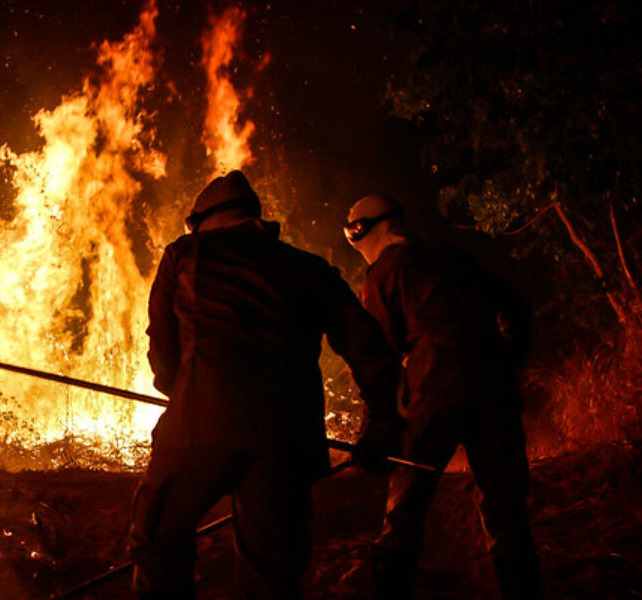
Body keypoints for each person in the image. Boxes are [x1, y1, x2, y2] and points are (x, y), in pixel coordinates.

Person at [128, 171, 404, 600]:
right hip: (287, 440)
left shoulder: (185, 253)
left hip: (200, 427)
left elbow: (161, 354)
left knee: (158, 538)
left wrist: (182, 390)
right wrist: (383, 420)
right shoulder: (311, 269)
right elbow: (368, 346)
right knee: (272, 573)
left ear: (203, 220)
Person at [344, 194, 542, 599]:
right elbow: (515, 305)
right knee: (508, 515)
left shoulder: (385, 271)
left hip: (434, 395)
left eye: (351, 230)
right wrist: (509, 360)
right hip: (494, 389)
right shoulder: (449, 255)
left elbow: (380, 357)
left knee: (402, 515)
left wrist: (376, 428)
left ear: (363, 229)